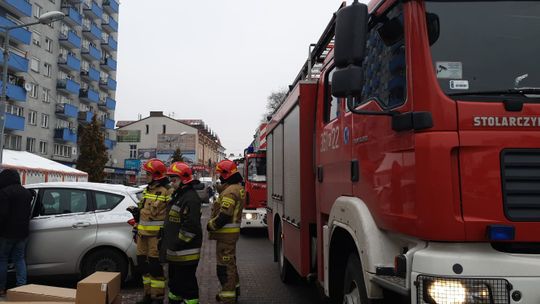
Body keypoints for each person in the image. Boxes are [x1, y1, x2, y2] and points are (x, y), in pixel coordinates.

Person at [128, 159, 173, 304]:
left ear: (156, 175)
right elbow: (143, 211)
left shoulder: (167, 191)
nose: (145, 175)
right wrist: (136, 214)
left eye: (148, 173)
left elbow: (172, 215)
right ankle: (147, 295)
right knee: (143, 266)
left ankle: (158, 298)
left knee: (155, 268)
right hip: (142, 235)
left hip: (156, 237)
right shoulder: (147, 189)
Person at [161, 162, 202, 304]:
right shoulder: (179, 196)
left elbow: (191, 227)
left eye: (174, 179)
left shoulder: (190, 198)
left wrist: (177, 242)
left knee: (188, 285)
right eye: (171, 179)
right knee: (175, 284)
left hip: (186, 253)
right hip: (176, 253)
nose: (171, 183)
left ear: (183, 179)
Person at [207, 160, 245, 304]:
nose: (219, 178)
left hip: (225, 236)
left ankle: (227, 296)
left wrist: (211, 225)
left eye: (220, 174)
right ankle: (235, 290)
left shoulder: (230, 192)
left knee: (224, 266)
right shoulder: (237, 188)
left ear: (226, 174)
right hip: (231, 236)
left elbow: (224, 215)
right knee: (231, 264)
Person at [0, 169, 34, 297]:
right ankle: (21, 287)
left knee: (2, 259)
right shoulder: (26, 193)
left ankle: (1, 288)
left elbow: (2, 215)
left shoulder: (4, 193)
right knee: (19, 259)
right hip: (23, 233)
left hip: (7, 234)